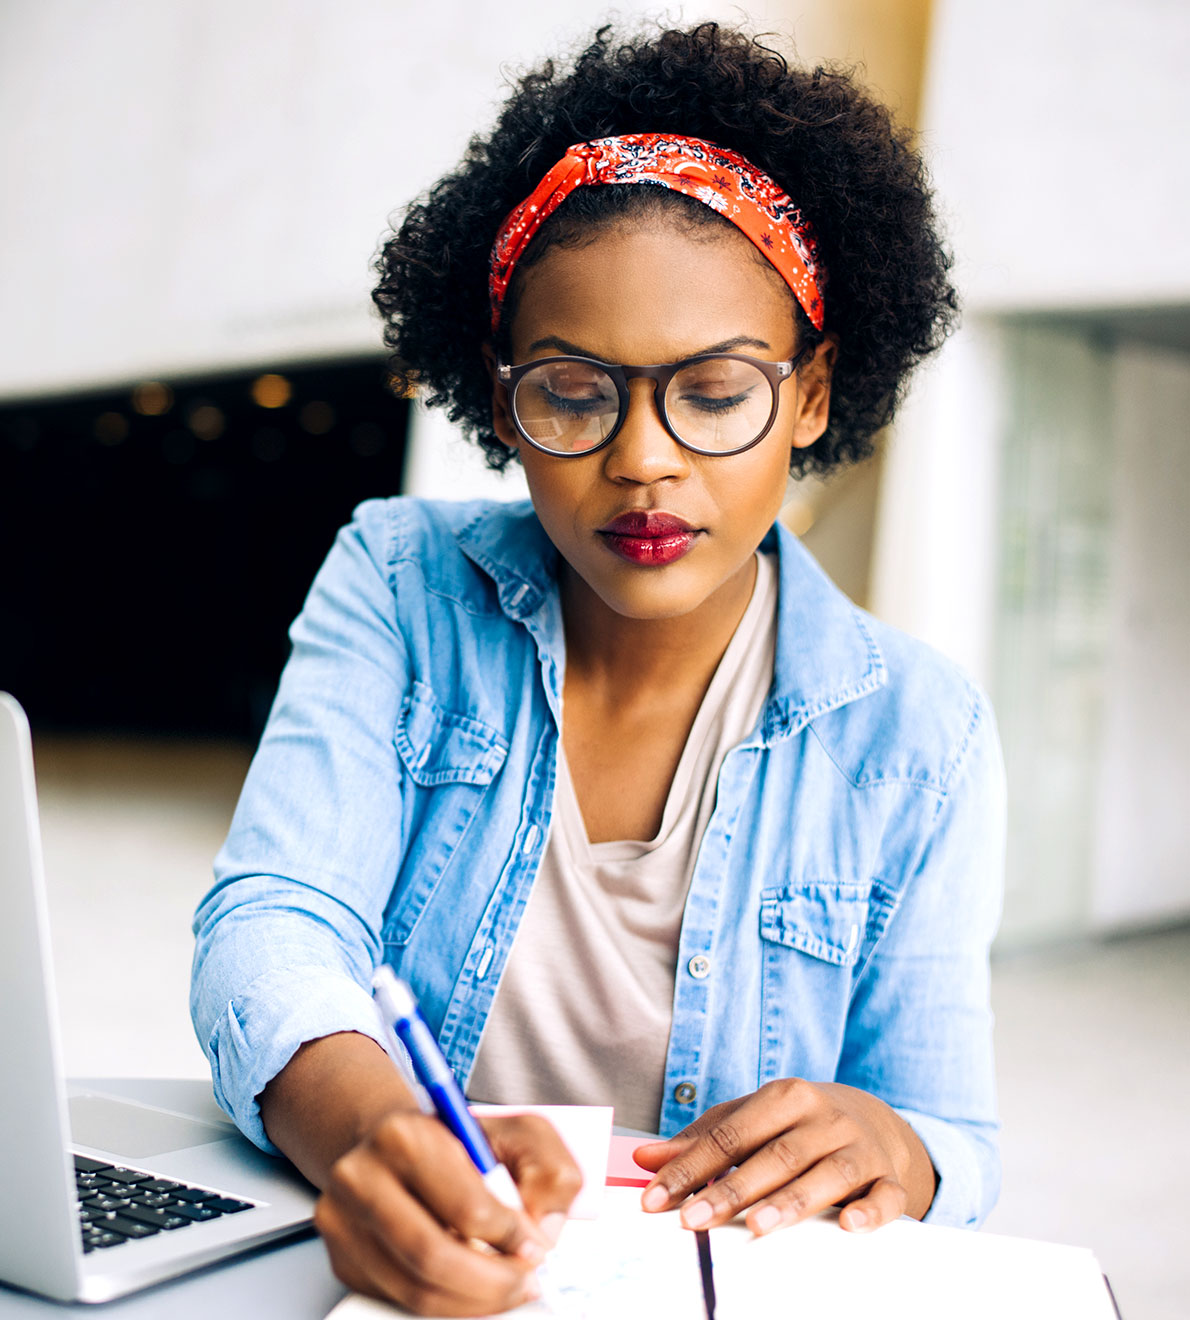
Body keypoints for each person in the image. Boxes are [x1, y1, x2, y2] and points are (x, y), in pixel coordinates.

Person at [191, 21, 1004, 1316]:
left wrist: (898, 1149)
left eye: (716, 392)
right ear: (497, 394)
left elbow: (952, 1134)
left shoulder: (917, 732)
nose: (641, 461)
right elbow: (273, 922)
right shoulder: (402, 587)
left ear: (809, 396)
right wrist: (376, 1135)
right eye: (573, 394)